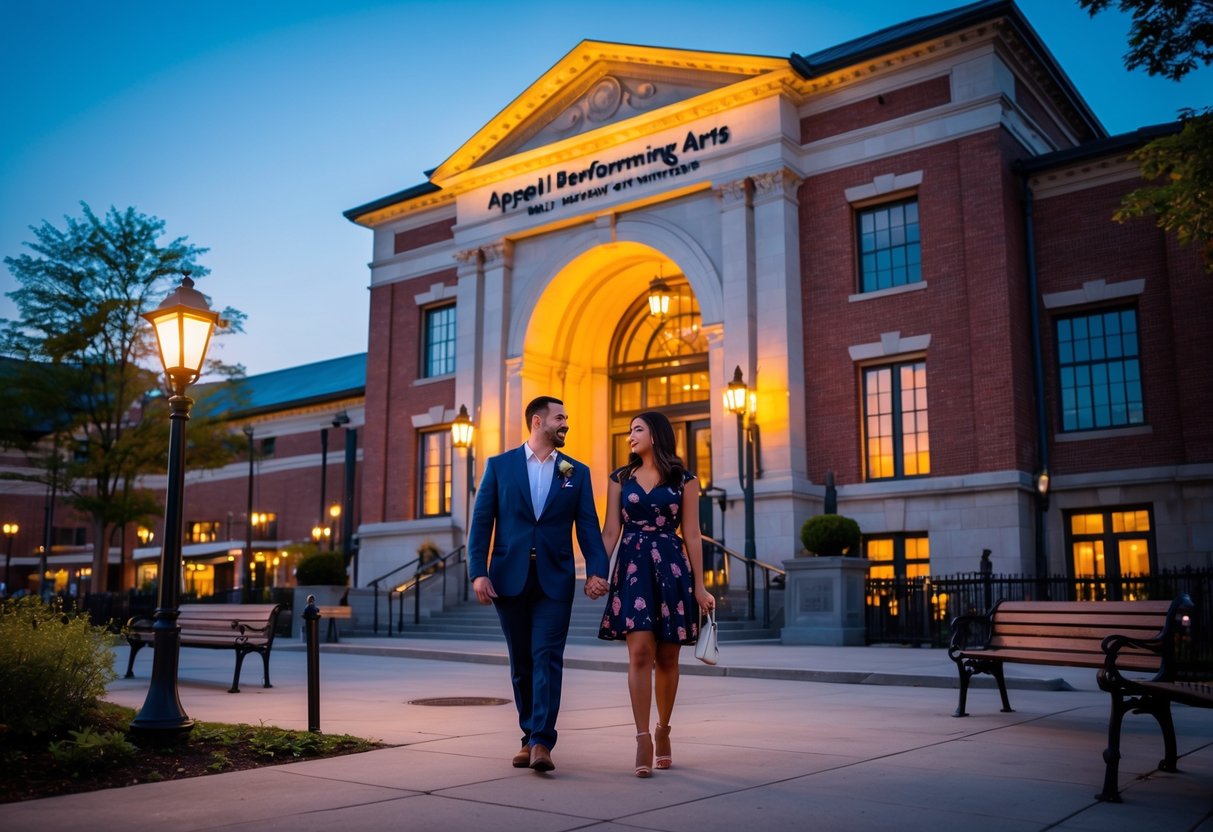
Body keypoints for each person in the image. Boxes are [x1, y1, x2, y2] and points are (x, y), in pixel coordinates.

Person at [467, 395, 610, 773]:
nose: (566, 424)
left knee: (547, 657)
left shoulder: (575, 472)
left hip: (555, 580)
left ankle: (543, 741)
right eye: (560, 418)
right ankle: (528, 735)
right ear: (537, 421)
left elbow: (589, 526)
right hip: (507, 580)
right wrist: (477, 571)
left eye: (567, 417)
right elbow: (481, 522)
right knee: (521, 663)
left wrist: (598, 569)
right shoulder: (499, 467)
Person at [598, 410, 715, 777]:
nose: (630, 435)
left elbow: (693, 534)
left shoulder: (685, 479)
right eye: (629, 429)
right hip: (633, 568)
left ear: (656, 434)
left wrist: (700, 584)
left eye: (637, 429)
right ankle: (642, 737)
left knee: (667, 658)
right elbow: (609, 532)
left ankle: (664, 729)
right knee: (640, 653)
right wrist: (596, 573)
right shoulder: (620, 478)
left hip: (672, 568)